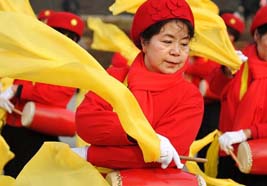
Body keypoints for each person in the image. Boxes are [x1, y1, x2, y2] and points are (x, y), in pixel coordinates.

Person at [73, 0, 204, 170]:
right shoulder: (116, 78)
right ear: (144, 42)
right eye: (167, 41)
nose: (176, 51)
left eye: (184, 44)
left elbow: (166, 157)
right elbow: (86, 123)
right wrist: (142, 135)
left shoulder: (189, 96)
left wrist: (90, 154)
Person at [208, 3, 267, 186]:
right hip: (231, 156)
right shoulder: (238, 62)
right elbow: (214, 88)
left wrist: (247, 133)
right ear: (257, 36)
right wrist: (226, 71)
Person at [0, 11, 85, 178]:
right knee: (11, 175)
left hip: (41, 127)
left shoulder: (72, 65)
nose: (64, 40)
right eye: (59, 34)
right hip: (12, 127)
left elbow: (57, 96)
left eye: (70, 37)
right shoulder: (28, 55)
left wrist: (18, 90)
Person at [185, 12, 245, 170]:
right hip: (198, 103)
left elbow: (210, 71)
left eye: (232, 34)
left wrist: (193, 70)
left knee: (209, 147)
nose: (227, 37)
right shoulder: (208, 48)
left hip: (216, 106)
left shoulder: (230, 54)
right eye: (224, 32)